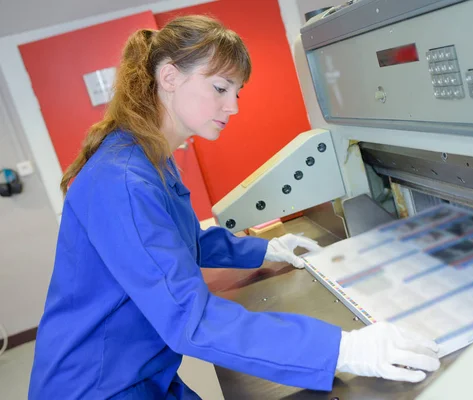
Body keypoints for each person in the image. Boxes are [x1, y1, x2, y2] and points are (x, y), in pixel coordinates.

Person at [29, 15, 440, 399]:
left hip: (142, 368)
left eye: (236, 92)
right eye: (221, 88)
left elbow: (181, 242)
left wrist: (265, 250)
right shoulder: (122, 180)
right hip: (96, 384)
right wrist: (339, 349)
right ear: (169, 76)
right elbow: (191, 319)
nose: (234, 106)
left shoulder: (145, 156)